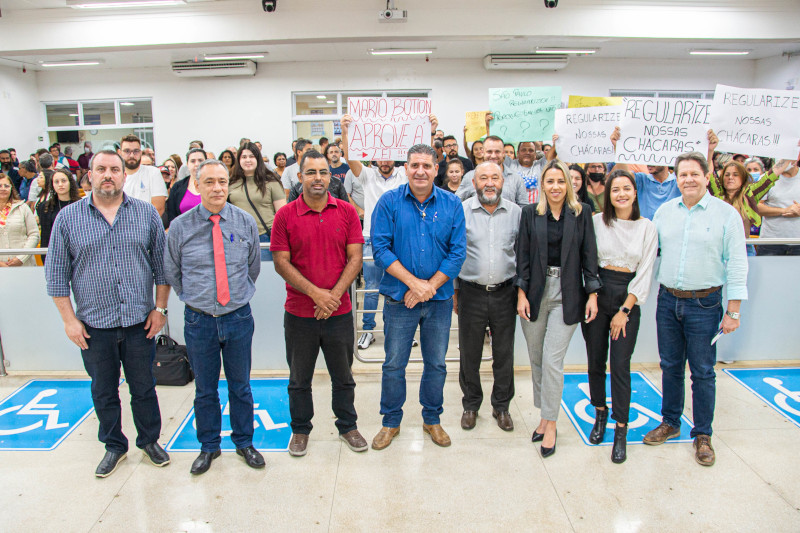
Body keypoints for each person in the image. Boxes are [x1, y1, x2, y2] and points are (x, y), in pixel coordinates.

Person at [45, 150, 170, 477]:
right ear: (89, 175)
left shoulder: (145, 214)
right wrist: (69, 320)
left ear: (124, 175)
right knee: (103, 389)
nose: (108, 175)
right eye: (101, 169)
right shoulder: (68, 219)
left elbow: (162, 268)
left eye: (115, 169)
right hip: (93, 326)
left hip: (138, 323)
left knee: (143, 386)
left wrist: (160, 310)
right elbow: (56, 275)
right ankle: (114, 445)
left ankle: (149, 441)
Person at [643, 151, 747, 467]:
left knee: (702, 372)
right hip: (668, 300)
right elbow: (647, 250)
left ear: (706, 175)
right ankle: (671, 422)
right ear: (676, 177)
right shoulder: (664, 212)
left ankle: (702, 434)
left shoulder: (726, 215)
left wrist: (733, 311)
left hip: (706, 303)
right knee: (670, 365)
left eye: (694, 174)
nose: (688, 179)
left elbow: (738, 264)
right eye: (682, 174)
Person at [164, 159, 265, 475]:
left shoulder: (244, 221)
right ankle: (208, 447)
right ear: (197, 184)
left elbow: (253, 268)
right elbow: (173, 271)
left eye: (222, 181)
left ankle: (244, 442)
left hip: (238, 317)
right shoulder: (181, 226)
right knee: (205, 389)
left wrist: (235, 294)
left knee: (241, 385)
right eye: (209, 182)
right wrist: (196, 298)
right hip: (199, 320)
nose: (217, 188)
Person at [370, 144, 466, 450]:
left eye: (427, 165)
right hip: (400, 300)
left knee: (436, 363)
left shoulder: (452, 205)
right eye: (415, 165)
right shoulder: (388, 203)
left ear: (436, 169)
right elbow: (381, 249)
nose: (421, 171)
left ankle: (432, 419)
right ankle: (390, 422)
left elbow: (457, 253)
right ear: (406, 168)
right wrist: (414, 285)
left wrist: (429, 288)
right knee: (394, 364)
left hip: (438, 303)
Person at [271, 150, 367, 457]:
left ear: (331, 177)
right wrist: (317, 295)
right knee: (299, 379)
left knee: (344, 376)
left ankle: (348, 426)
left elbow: (355, 258)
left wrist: (333, 296)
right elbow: (281, 263)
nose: (318, 178)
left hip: (339, 313)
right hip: (300, 314)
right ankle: (300, 430)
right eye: (311, 172)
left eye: (323, 172)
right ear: (299, 178)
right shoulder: (285, 216)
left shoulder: (347, 212)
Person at [516, 159, 600, 458]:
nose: (555, 187)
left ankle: (550, 424)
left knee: (552, 361)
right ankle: (544, 414)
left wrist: (592, 294)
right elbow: (522, 257)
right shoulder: (529, 213)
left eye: (561, 181)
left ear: (569, 184)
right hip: (536, 293)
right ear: (542, 185)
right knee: (537, 358)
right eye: (550, 182)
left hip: (569, 293)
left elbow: (590, 255)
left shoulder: (582, 214)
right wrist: (521, 293)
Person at [580, 170, 657, 464]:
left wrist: (625, 310)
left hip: (627, 298)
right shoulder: (597, 222)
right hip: (598, 294)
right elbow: (588, 263)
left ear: (635, 193)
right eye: (615, 190)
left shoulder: (647, 227)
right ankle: (600, 413)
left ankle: (621, 429)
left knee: (620, 366)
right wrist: (593, 296)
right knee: (595, 361)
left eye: (627, 189)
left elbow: (646, 271)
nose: (621, 194)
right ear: (607, 194)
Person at [456, 162, 521, 432]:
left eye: (495, 177)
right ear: (474, 183)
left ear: (503, 181)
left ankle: (501, 406)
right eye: (484, 178)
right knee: (469, 353)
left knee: (504, 353)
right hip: (470, 292)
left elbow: (523, 254)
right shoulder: (461, 212)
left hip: (506, 293)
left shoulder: (517, 213)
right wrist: (455, 293)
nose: (489, 183)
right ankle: (471, 404)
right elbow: (454, 252)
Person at [340, 114, 412, 350]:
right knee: (371, 287)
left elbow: (424, 156)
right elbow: (350, 158)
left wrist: (429, 131)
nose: (384, 160)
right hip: (371, 238)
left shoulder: (404, 174)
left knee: (401, 284)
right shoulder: (367, 176)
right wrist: (345, 130)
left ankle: (402, 330)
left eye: (388, 155)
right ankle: (368, 330)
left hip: (400, 238)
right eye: (380, 155)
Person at [228, 142, 286, 260]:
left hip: (265, 237)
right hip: (239, 239)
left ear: (258, 159)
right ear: (238, 160)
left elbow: (283, 214)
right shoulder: (231, 183)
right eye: (244, 157)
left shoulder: (271, 181)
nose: (247, 160)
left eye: (251, 156)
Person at [610, 127, 681, 220]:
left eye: (654, 157)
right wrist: (618, 148)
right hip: (643, 231)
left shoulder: (678, 181)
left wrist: (707, 149)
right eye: (647, 156)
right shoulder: (641, 179)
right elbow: (624, 174)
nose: (649, 161)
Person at [457, 136, 529, 206]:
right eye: (489, 152)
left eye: (497, 152)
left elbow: (523, 207)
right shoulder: (470, 177)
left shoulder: (516, 179)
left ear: (503, 153)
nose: (493, 156)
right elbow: (456, 203)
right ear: (483, 152)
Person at [757, 157, 800, 256]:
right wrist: (784, 211)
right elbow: (755, 205)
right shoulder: (766, 178)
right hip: (770, 243)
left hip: (798, 243)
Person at [118, 135, 168, 216]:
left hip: (146, 226)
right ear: (119, 153)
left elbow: (159, 209)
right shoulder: (115, 176)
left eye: (136, 151)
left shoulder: (153, 173)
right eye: (127, 151)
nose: (131, 155)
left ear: (141, 152)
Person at [36, 168, 81, 256]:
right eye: (56, 182)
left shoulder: (81, 205)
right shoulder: (45, 207)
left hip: (77, 254)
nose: (60, 184)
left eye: (63, 181)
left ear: (70, 183)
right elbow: (45, 237)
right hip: (55, 254)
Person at [0, 173, 39, 267]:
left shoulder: (23, 208)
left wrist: (21, 258)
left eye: (6, 186)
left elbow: (34, 235)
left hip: (23, 265)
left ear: (11, 188)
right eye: (0, 186)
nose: (3, 188)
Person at [165, 148, 206, 228]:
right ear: (187, 164)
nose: (197, 164)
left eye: (200, 160)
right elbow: (172, 216)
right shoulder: (177, 187)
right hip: (184, 235)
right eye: (193, 161)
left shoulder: (215, 186)